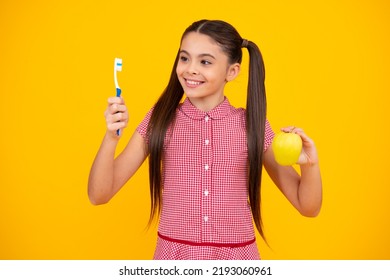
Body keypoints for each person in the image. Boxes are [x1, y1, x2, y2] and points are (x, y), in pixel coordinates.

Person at [88, 19, 322, 260]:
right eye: (184, 58)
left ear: (232, 72)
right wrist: (110, 137)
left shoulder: (253, 126)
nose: (190, 69)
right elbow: (99, 195)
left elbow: (308, 206)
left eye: (205, 62)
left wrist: (309, 164)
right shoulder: (159, 120)